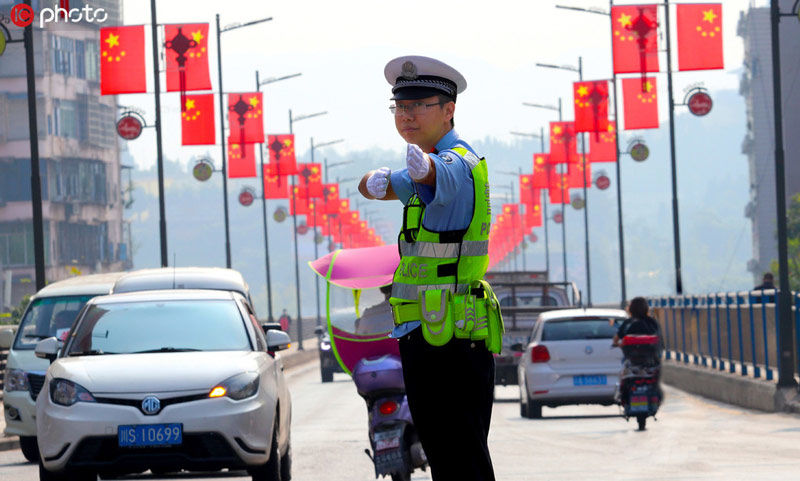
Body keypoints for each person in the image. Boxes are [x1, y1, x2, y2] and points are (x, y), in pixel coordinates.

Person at [358, 55, 499, 481]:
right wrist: (376, 180)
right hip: (432, 329)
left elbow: (442, 175)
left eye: (420, 105)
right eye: (400, 107)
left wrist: (426, 168)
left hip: (448, 334)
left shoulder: (456, 161)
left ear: (449, 109)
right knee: (450, 452)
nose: (407, 115)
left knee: (458, 453)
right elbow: (383, 186)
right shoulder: (429, 161)